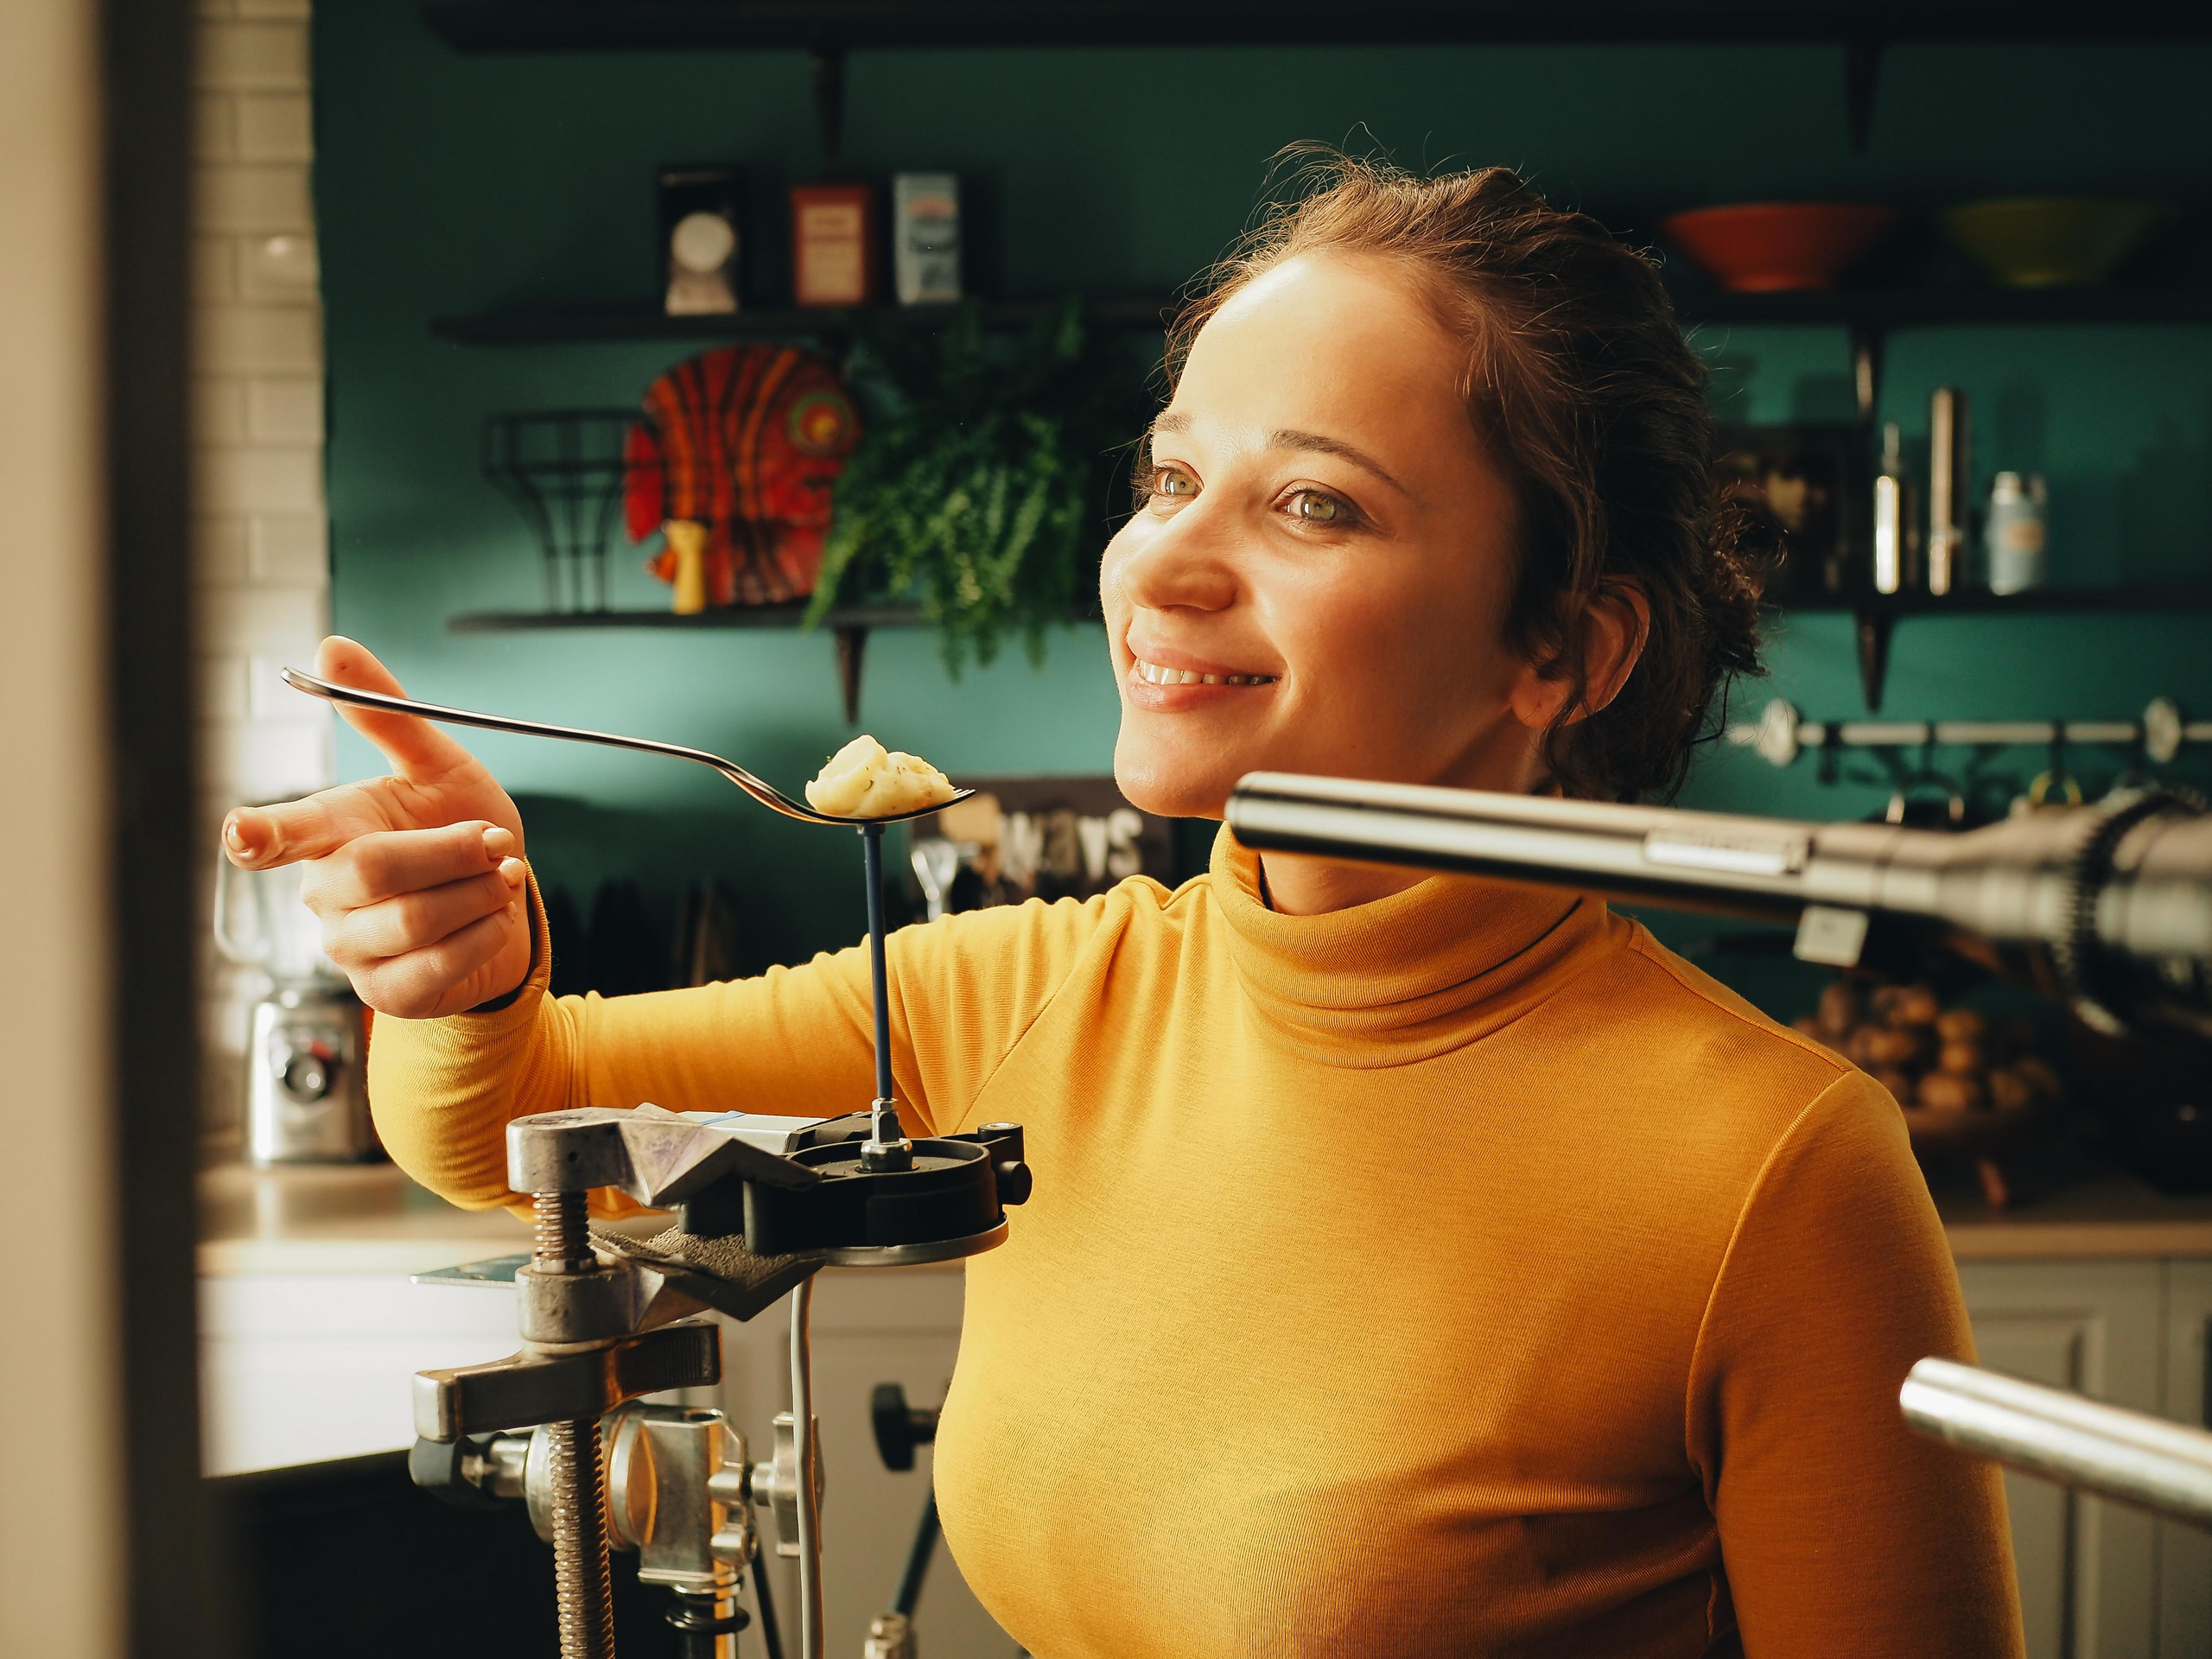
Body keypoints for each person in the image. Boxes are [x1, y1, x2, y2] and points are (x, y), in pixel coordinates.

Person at [224, 157, 2022, 1656]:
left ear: (1559, 647)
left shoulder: (1769, 1174)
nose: (1160, 557)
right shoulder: (1037, 997)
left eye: (1312, 502)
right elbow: (515, 1117)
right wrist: (457, 957)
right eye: (1168, 474)